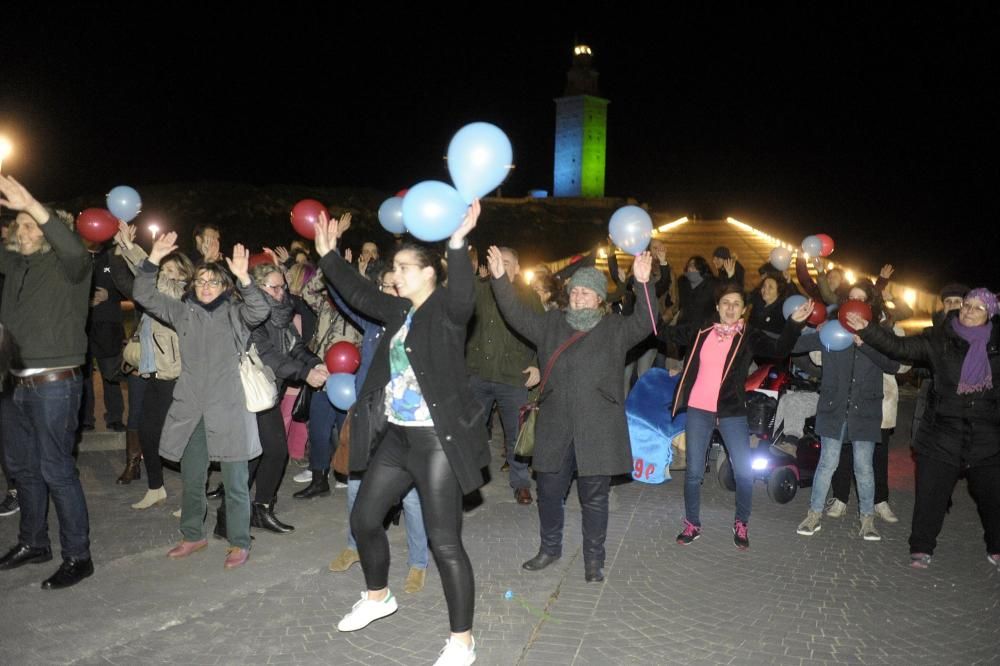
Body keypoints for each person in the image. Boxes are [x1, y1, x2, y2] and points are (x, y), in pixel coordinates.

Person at [314, 203, 486, 665]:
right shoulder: (398, 311)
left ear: (431, 272)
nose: (396, 274)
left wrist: (457, 242)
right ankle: (377, 597)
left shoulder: (447, 310)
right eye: (394, 268)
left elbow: (465, 294)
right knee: (364, 519)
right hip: (396, 438)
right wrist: (329, 256)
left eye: (405, 267)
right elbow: (358, 293)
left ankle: (462, 642)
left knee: (444, 541)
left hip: (436, 444)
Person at [488, 246, 655, 582]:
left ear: (599, 299)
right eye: (576, 290)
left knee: (594, 499)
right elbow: (515, 314)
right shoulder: (551, 324)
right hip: (555, 425)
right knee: (549, 492)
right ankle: (550, 548)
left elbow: (648, 321)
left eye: (587, 291)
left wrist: (643, 283)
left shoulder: (614, 329)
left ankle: (594, 560)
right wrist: (498, 281)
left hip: (598, 427)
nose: (579, 296)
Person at [132, 231, 269, 570]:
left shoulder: (236, 315)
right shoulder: (182, 312)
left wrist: (245, 278)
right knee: (193, 477)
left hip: (230, 409)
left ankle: (239, 540)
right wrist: (152, 259)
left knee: (235, 482)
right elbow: (143, 293)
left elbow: (261, 309)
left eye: (214, 282)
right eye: (202, 281)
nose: (206, 286)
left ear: (225, 287)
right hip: (191, 409)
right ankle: (193, 534)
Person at [848, 288, 1000, 570]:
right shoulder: (939, 337)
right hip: (943, 431)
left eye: (977, 308)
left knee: (993, 497)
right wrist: (868, 330)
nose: (968, 310)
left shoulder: (996, 344)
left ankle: (997, 547)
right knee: (931, 494)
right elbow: (900, 348)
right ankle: (921, 546)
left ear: (990, 314)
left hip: (986, 436)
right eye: (967, 304)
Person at [659, 282, 812, 550]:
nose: (730, 308)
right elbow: (665, 333)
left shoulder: (747, 335)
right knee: (694, 472)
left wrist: (794, 325)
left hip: (731, 410)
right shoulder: (702, 329)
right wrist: (645, 292)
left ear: (744, 310)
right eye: (726, 303)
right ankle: (692, 523)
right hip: (699, 408)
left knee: (744, 470)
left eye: (736, 304)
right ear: (717, 307)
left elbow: (778, 350)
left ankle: (741, 522)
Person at [0, 175, 94, 589]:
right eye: (18, 225)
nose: (24, 231)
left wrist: (35, 205)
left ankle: (79, 555)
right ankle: (34, 542)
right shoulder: (15, 263)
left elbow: (72, 245)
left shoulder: (69, 265)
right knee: (22, 469)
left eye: (32, 225)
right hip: (13, 383)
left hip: (55, 385)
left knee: (56, 470)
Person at [326, 264, 430, 596]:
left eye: (394, 285)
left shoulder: (415, 324)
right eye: (383, 286)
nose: (388, 291)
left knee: (411, 497)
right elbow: (346, 301)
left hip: (401, 421)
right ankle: (354, 545)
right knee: (356, 487)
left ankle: (418, 563)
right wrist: (334, 267)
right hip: (368, 417)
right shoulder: (372, 322)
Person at [795, 280, 901, 542]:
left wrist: (865, 342)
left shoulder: (878, 335)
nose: (854, 305)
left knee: (864, 467)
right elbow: (795, 347)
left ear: (869, 306)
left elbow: (893, 364)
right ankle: (814, 514)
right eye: (850, 299)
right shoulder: (830, 331)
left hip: (865, 410)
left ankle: (867, 520)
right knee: (827, 463)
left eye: (861, 300)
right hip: (834, 409)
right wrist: (799, 324)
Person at [113, 222, 194, 510]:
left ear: (184, 276)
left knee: (180, 439)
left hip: (174, 375)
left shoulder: (180, 294)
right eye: (165, 269)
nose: (167, 274)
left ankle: (192, 496)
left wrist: (131, 249)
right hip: (152, 372)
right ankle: (155, 487)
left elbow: (151, 278)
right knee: (147, 433)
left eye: (173, 271)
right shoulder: (157, 289)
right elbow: (144, 278)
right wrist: (128, 249)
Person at [245, 263, 328, 533]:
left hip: (268, 394)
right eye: (275, 287)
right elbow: (268, 356)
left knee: (259, 454)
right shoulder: (250, 316)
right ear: (258, 288)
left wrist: (315, 363)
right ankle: (245, 510)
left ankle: (251, 509)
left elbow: (295, 347)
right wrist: (304, 373)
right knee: (271, 452)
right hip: (248, 395)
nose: (282, 292)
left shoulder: (280, 315)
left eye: (283, 286)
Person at [466, 245, 541, 505]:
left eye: (507, 262)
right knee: (471, 431)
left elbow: (542, 334)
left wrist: (536, 364)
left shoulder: (528, 297)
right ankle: (467, 484)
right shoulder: (479, 288)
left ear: (518, 268)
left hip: (513, 376)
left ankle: (521, 483)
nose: (502, 265)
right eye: (498, 260)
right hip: (478, 374)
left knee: (516, 435)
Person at [676, 255, 717, 327]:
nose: (691, 269)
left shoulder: (712, 284)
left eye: (695, 266)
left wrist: (731, 276)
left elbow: (727, 292)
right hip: (684, 326)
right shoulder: (682, 282)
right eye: (690, 266)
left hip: (704, 327)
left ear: (702, 269)